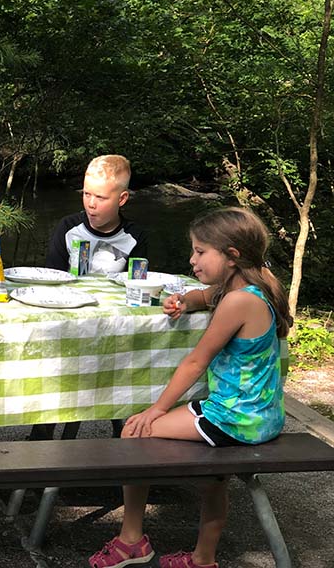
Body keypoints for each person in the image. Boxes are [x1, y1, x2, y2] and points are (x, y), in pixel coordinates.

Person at [88, 207, 292, 568]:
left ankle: (131, 541)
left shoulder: (237, 300)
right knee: (214, 478)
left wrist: (156, 410)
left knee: (136, 433)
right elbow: (205, 295)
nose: (192, 259)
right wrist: (185, 300)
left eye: (200, 252)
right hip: (262, 416)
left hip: (233, 418)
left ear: (231, 256)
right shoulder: (257, 283)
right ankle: (203, 559)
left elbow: (196, 362)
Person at [30, 154, 147, 441]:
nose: (91, 204)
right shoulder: (68, 229)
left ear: (122, 199)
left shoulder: (136, 237)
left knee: (127, 374)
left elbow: (141, 287)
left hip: (116, 331)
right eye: (86, 194)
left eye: (101, 198)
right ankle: (41, 438)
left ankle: (125, 438)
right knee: (53, 385)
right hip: (69, 325)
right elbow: (51, 281)